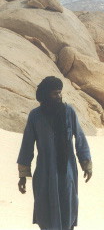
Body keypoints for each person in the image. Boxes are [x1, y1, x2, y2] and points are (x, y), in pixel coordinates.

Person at [17, 76, 92, 230]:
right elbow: (27, 145)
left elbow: (80, 138)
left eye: (60, 93)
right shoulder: (35, 116)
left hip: (67, 172)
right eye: (55, 94)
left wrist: (86, 164)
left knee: (68, 210)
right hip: (45, 173)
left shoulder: (68, 111)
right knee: (45, 212)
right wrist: (22, 174)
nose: (59, 97)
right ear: (45, 95)